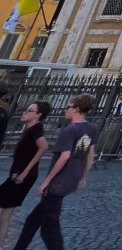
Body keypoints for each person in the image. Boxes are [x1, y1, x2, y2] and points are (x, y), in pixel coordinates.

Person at [12, 95, 98, 250]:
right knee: (42, 222)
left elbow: (65, 156)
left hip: (58, 182)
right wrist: (82, 177)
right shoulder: (89, 129)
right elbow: (86, 154)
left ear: (77, 109)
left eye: (68, 107)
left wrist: (47, 181)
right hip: (70, 179)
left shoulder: (70, 130)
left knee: (43, 224)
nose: (65, 110)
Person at [0, 101, 50, 247]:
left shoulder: (35, 129)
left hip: (21, 177)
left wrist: (25, 172)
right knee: (6, 213)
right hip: (17, 175)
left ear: (38, 115)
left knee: (6, 212)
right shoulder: (30, 129)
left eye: (29, 111)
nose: (24, 112)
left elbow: (44, 147)